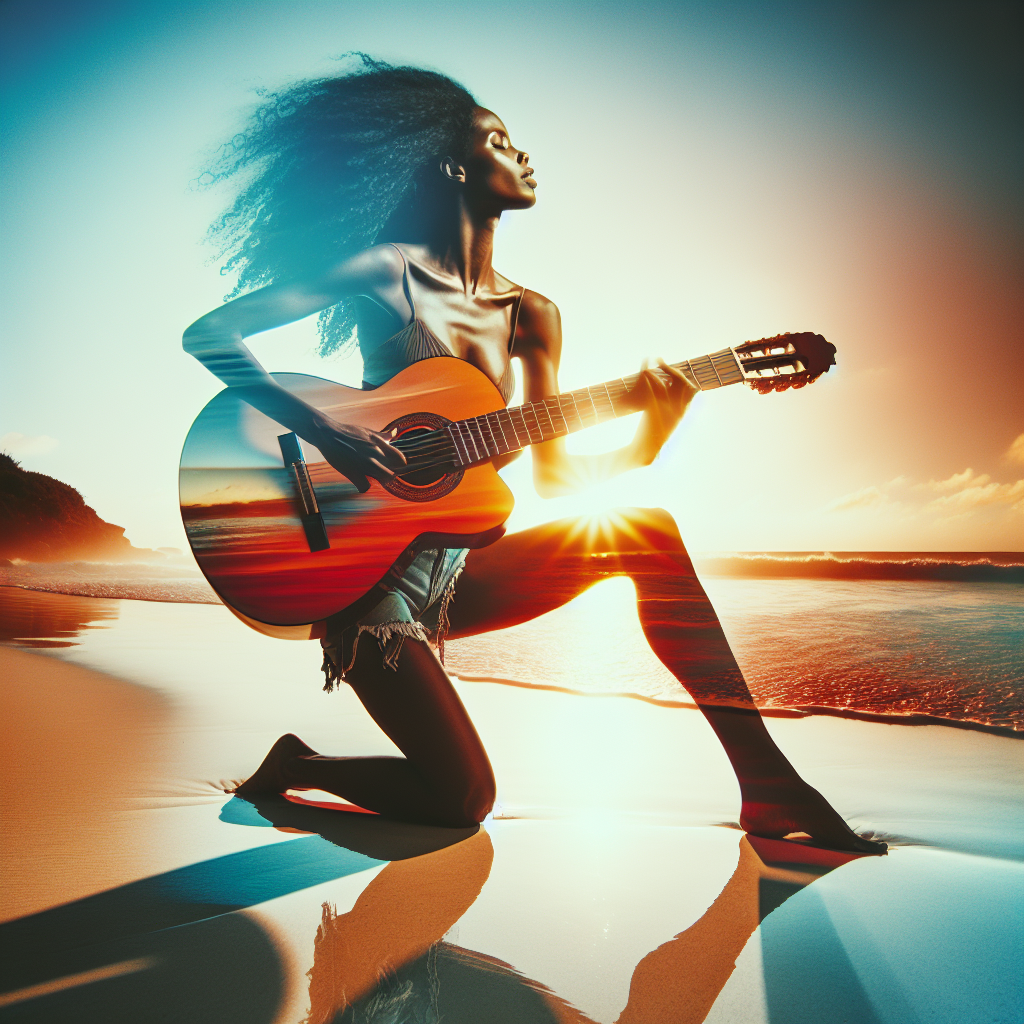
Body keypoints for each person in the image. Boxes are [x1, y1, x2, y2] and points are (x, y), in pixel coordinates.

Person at [183, 55, 884, 853]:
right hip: (359, 579)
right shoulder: (391, 272)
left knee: (643, 532)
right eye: (501, 141)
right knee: (463, 801)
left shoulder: (534, 315)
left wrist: (654, 431)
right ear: (454, 163)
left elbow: (555, 477)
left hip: (452, 576)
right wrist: (329, 429)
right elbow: (211, 335)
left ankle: (768, 784)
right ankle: (299, 766)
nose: (523, 156)